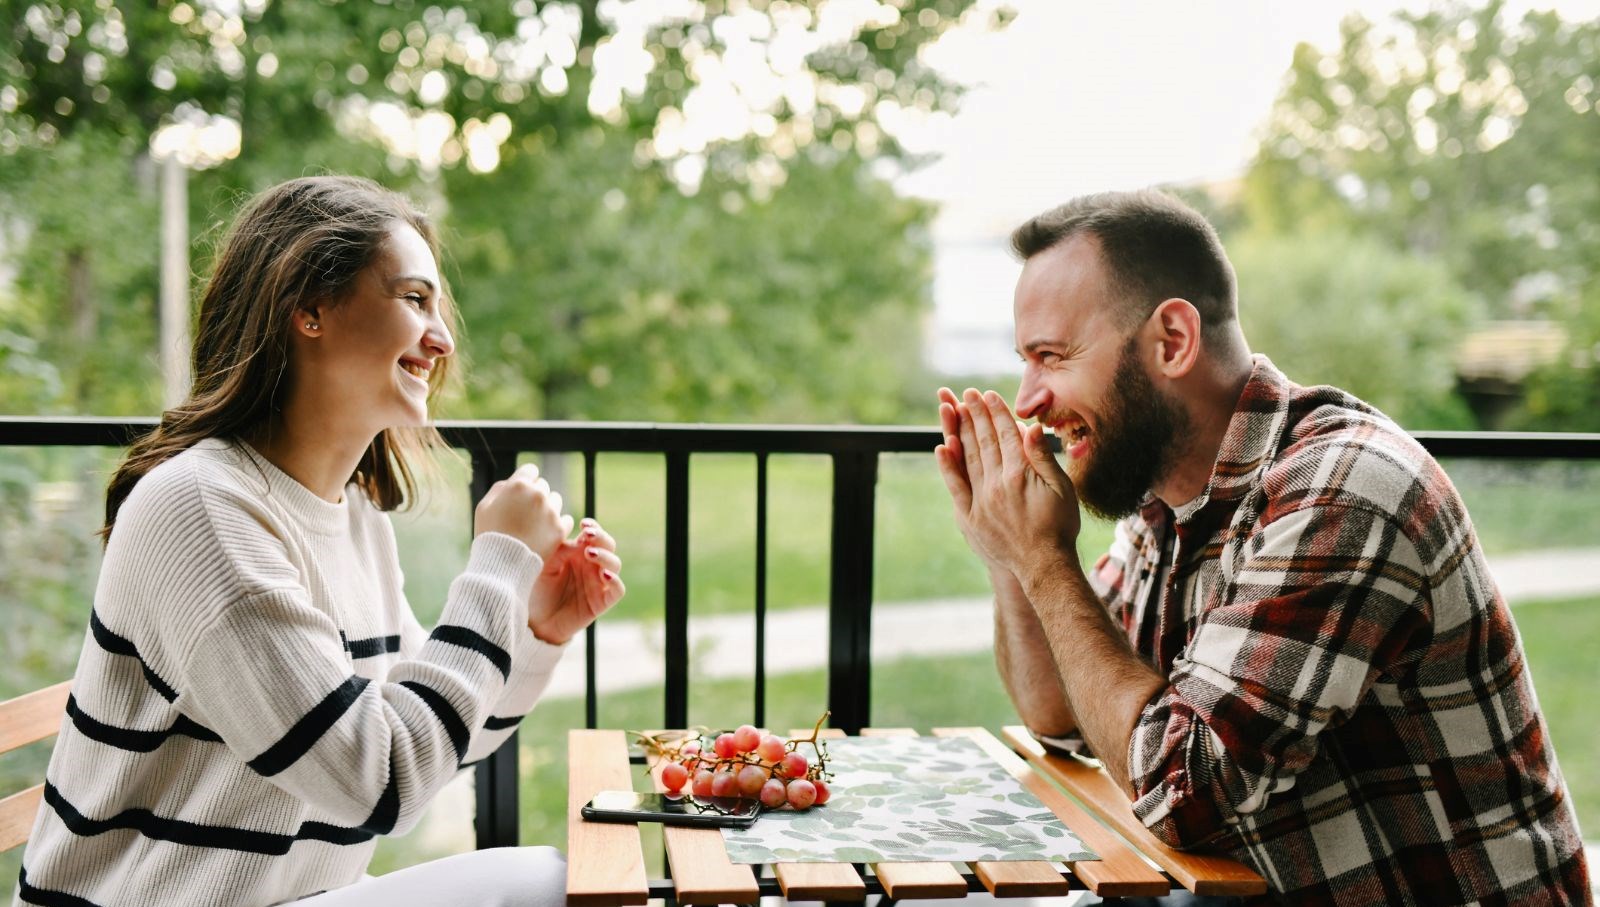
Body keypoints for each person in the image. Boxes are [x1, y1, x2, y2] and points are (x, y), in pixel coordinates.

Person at [934, 189, 1590, 905]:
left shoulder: (1340, 490)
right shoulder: (1166, 502)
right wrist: (1011, 553)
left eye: (1051, 356)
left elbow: (1180, 793)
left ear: (1173, 341)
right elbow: (1062, 713)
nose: (1027, 400)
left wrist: (1044, 560)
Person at [14, 176, 625, 907]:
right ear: (308, 308)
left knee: (549, 883)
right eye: (414, 299)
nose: (442, 339)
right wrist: (497, 566)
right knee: (542, 888)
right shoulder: (201, 509)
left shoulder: (354, 514)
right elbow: (384, 780)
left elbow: (432, 738)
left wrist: (534, 631)